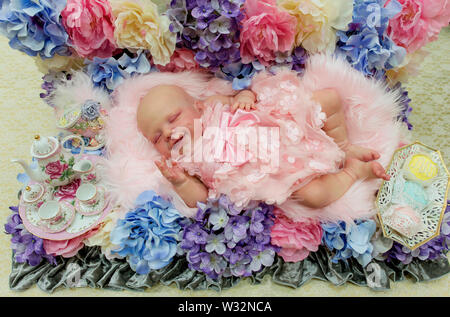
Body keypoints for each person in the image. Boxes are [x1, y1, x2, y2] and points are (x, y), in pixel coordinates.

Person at [136, 70, 390, 210]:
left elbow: (242, 94)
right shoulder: (185, 162)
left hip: (279, 124)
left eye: (173, 118)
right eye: (157, 137)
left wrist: (244, 97)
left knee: (328, 100)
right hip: (278, 171)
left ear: (198, 106)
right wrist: (180, 183)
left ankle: (344, 148)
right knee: (315, 196)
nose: (168, 133)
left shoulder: (212, 106)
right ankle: (354, 172)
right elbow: (200, 199)